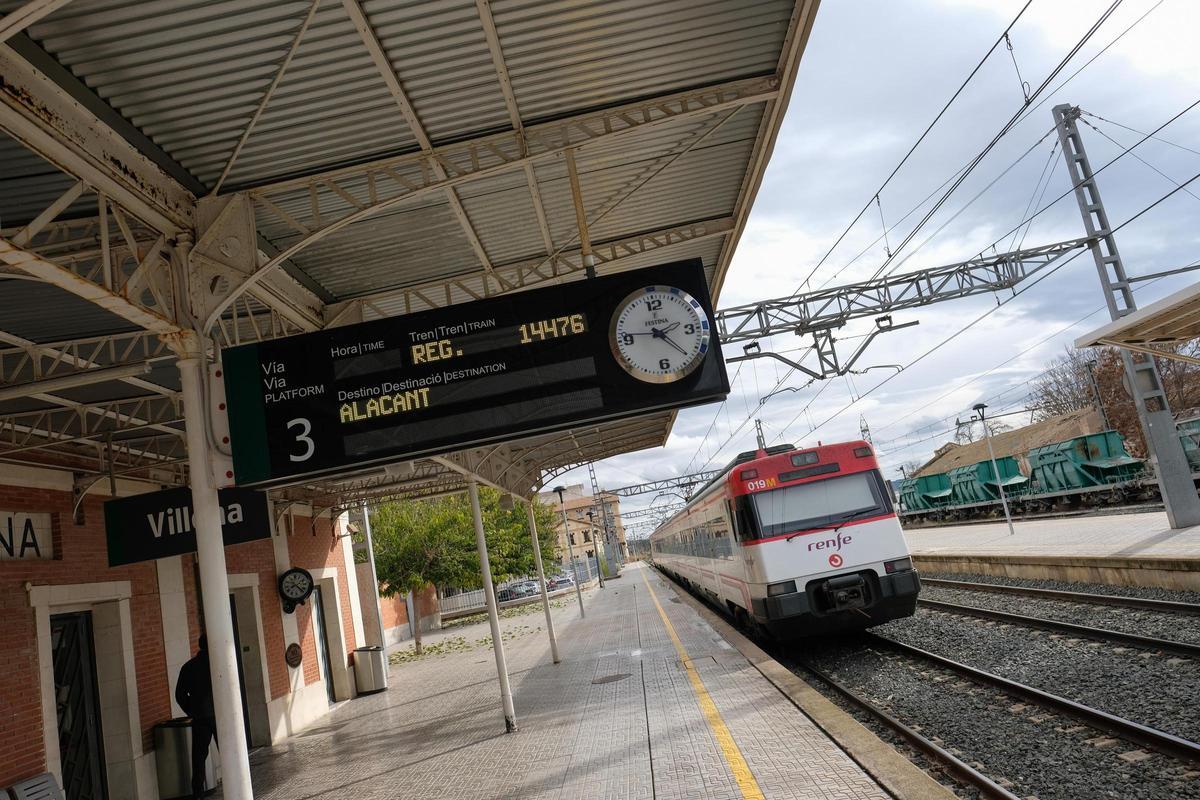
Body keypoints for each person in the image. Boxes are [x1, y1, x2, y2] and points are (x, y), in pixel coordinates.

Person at [175, 635, 217, 798]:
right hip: (220, 716)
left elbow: (179, 694)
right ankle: (236, 784)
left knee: (198, 757)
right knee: (229, 751)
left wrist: (191, 710)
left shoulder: (188, 667)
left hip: (200, 717)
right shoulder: (217, 663)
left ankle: (197, 792)